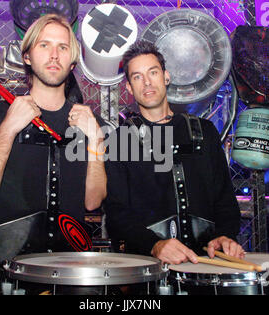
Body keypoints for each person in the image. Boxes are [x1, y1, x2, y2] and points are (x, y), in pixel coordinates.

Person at [0, 14, 107, 291]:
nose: (54, 55)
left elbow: (92, 201)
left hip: (69, 276)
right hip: (6, 277)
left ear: (72, 62)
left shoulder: (87, 121)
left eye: (63, 47)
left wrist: (96, 141)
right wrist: (7, 130)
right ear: (26, 56)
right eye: (43, 45)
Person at [104, 41, 244, 266]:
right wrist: (153, 244)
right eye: (137, 77)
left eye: (153, 72)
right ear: (129, 88)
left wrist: (225, 235)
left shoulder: (204, 132)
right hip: (149, 269)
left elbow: (225, 199)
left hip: (207, 266)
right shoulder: (120, 140)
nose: (147, 82)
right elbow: (116, 213)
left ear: (166, 77)